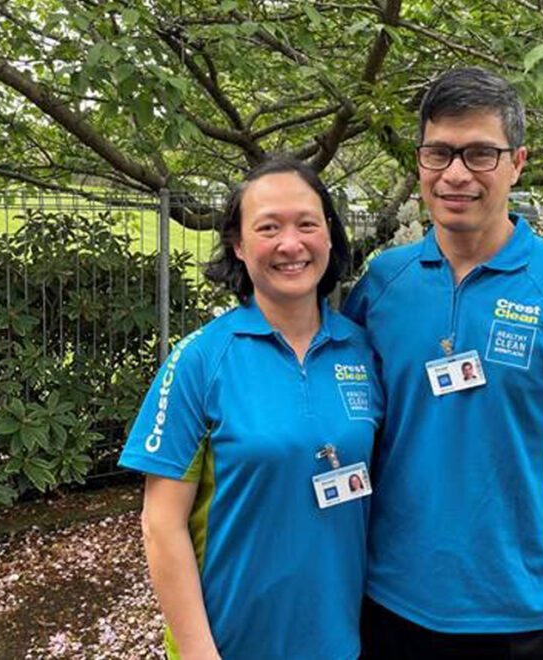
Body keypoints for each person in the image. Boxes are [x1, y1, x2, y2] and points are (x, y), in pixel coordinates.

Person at [344, 68, 543, 659]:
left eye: (481, 153)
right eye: (439, 152)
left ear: (517, 162)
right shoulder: (383, 284)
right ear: (420, 162)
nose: (456, 173)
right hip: (391, 602)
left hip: (528, 616)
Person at [118, 157, 383, 659]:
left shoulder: (365, 351)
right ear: (238, 245)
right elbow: (161, 524)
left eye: (307, 223)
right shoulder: (201, 359)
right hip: (232, 645)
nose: (291, 244)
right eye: (268, 228)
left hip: (344, 643)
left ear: (329, 234)